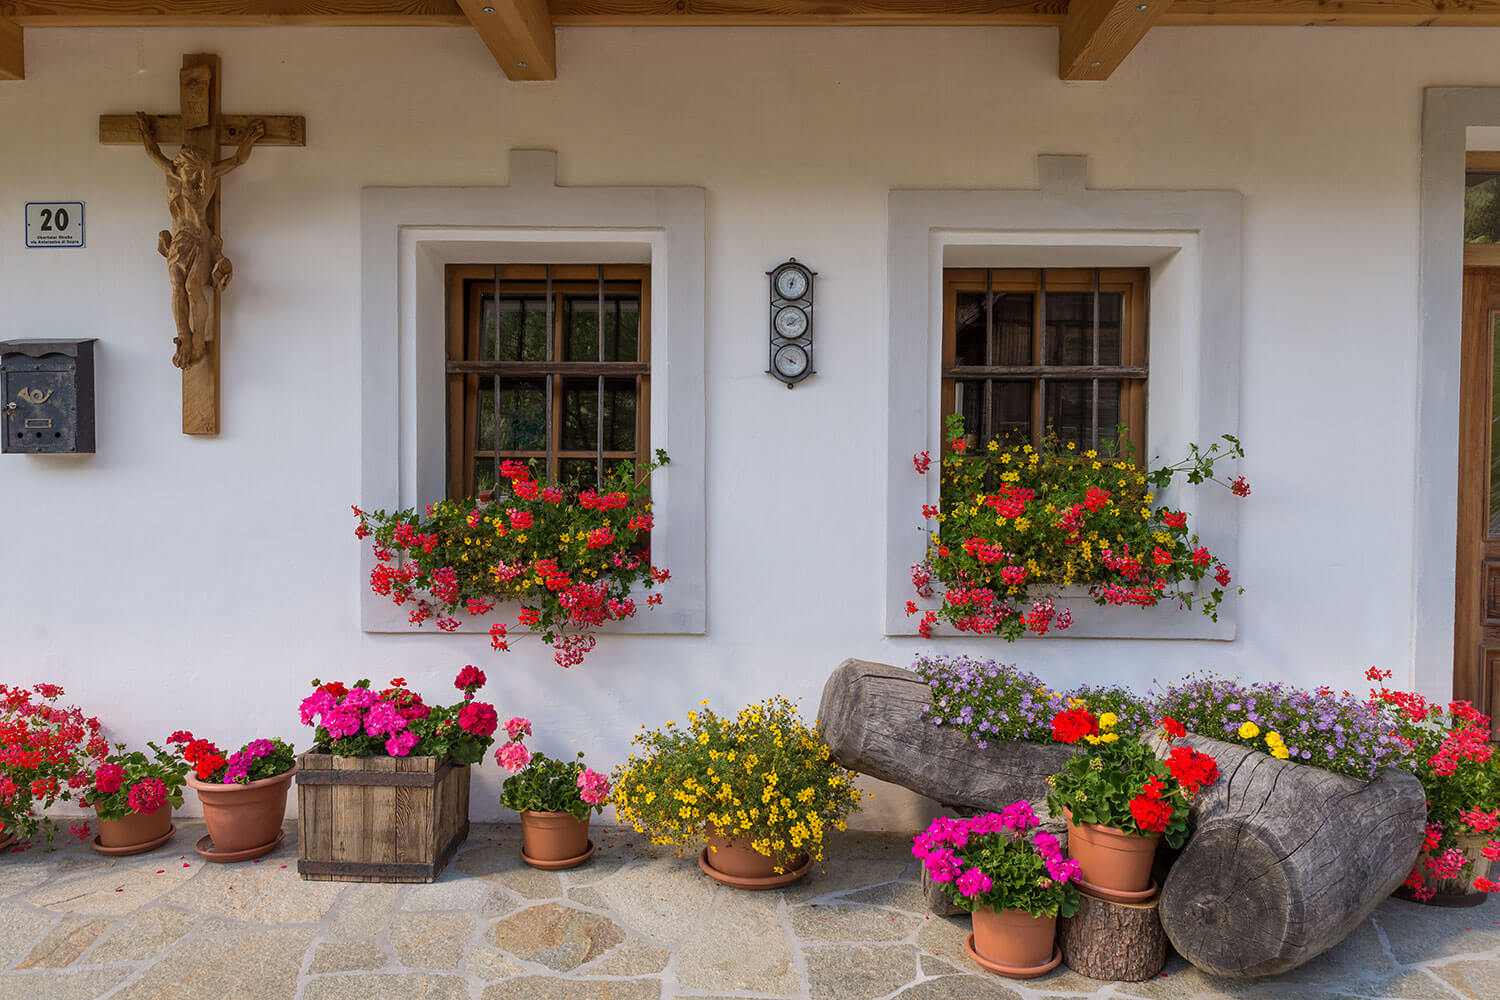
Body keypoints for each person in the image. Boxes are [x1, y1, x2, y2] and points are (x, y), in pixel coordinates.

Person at [137, 112, 265, 369]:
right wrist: (146, 133)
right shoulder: (171, 173)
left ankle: (198, 337)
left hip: (200, 242)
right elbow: (153, 153)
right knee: (176, 286)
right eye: (188, 170)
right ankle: (183, 336)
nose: (193, 177)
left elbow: (238, 160)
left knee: (192, 287)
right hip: (178, 245)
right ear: (181, 167)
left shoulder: (208, 177)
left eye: (196, 172)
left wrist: (249, 138)